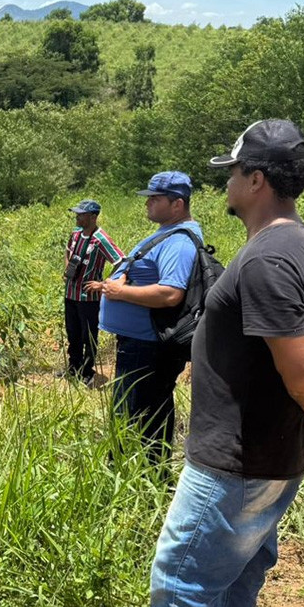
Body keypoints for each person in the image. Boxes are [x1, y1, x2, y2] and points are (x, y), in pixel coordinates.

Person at [97, 120, 304, 607]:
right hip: (274, 450)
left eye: (233, 173)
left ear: (256, 180)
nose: (227, 183)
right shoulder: (299, 243)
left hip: (234, 454)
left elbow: (299, 356)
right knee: (244, 559)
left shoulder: (266, 257)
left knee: (180, 568)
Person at [86, 173, 201, 465]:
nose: (148, 203)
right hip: (141, 343)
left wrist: (121, 292)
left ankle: (126, 477)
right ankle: (149, 474)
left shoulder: (179, 242)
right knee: (148, 411)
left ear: (177, 204)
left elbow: (170, 293)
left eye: (155, 198)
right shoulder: (169, 233)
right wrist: (125, 274)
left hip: (147, 346)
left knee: (131, 414)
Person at [61, 200, 123, 385]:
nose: (77, 217)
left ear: (93, 217)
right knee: (72, 332)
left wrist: (102, 284)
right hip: (71, 292)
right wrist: (67, 270)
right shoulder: (75, 234)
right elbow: (67, 251)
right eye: (77, 214)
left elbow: (121, 262)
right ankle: (73, 367)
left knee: (88, 335)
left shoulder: (101, 239)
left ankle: (87, 372)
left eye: (81, 214)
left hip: (88, 297)